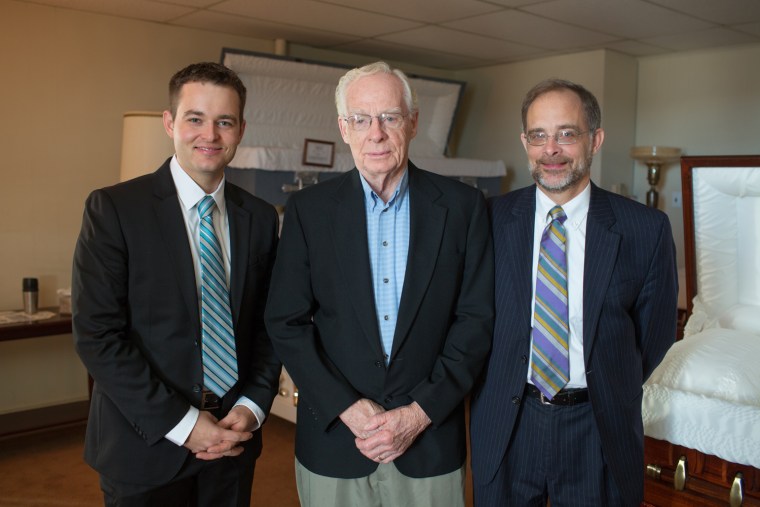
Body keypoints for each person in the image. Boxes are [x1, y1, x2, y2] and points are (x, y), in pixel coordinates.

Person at [264, 61, 494, 507]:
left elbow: (476, 320)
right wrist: (349, 408)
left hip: (430, 441)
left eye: (389, 117)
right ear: (343, 128)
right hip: (335, 439)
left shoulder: (463, 208)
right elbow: (286, 322)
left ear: (411, 122)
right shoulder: (309, 211)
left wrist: (418, 413)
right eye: (361, 119)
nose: (376, 132)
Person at [72, 62, 281, 506]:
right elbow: (97, 336)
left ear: (241, 129)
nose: (210, 134)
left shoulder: (261, 218)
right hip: (144, 445)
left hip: (233, 442)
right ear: (170, 123)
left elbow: (269, 327)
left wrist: (253, 407)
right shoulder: (114, 210)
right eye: (195, 119)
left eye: (224, 121)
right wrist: (184, 425)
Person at [470, 78, 679, 507]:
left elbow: (654, 337)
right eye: (538, 136)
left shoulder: (645, 230)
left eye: (566, 134)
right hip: (509, 421)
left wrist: (605, 381)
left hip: (597, 427)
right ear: (524, 142)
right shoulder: (489, 220)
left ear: (595, 140)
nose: (551, 150)